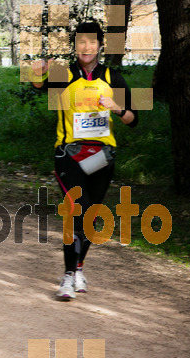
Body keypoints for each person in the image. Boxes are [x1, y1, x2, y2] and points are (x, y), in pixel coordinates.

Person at [31, 21, 138, 300]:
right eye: (81, 41)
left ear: (100, 45)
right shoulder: (63, 73)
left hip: (102, 156)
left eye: (92, 41)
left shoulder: (113, 78)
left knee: (91, 215)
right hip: (69, 154)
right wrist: (37, 70)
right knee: (76, 210)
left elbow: (133, 119)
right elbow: (37, 84)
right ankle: (67, 276)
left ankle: (78, 267)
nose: (86, 47)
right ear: (74, 45)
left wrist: (117, 107)